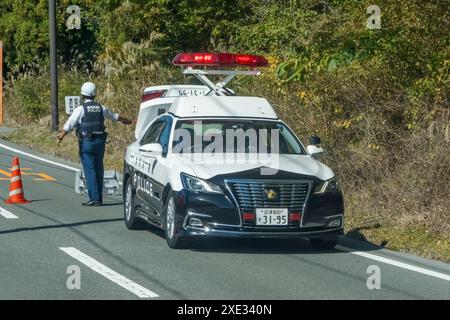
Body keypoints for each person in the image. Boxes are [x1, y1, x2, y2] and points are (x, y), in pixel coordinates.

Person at [57, 82, 133, 206]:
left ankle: (95, 199)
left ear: (82, 95)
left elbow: (68, 126)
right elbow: (115, 116)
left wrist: (60, 137)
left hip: (87, 142)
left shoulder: (81, 109)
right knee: (99, 168)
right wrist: (128, 121)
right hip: (100, 142)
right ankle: (99, 198)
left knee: (90, 170)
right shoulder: (101, 107)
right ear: (94, 94)